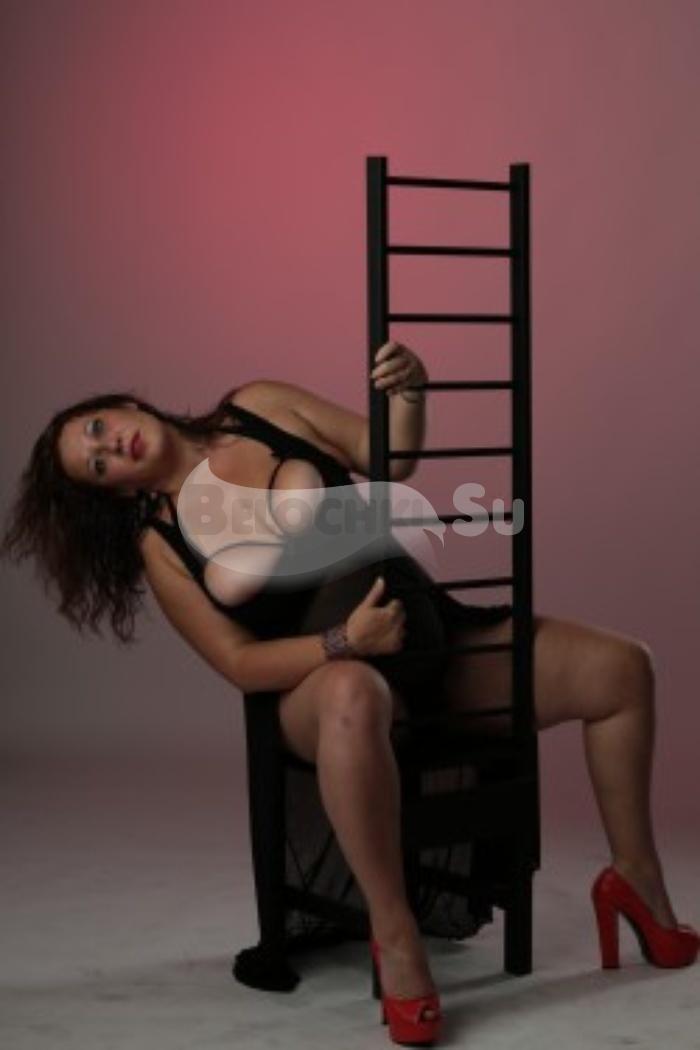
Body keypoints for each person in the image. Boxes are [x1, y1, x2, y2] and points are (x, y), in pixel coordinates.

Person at [2, 340, 696, 1048]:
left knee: (622, 670)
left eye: (97, 428)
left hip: (427, 642)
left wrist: (412, 393)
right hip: (322, 681)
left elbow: (387, 458)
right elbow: (240, 662)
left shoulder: (260, 405)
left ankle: (635, 881)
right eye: (98, 464)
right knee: (354, 693)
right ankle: (395, 934)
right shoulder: (164, 544)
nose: (110, 446)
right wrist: (345, 642)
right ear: (117, 491)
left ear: (123, 404)